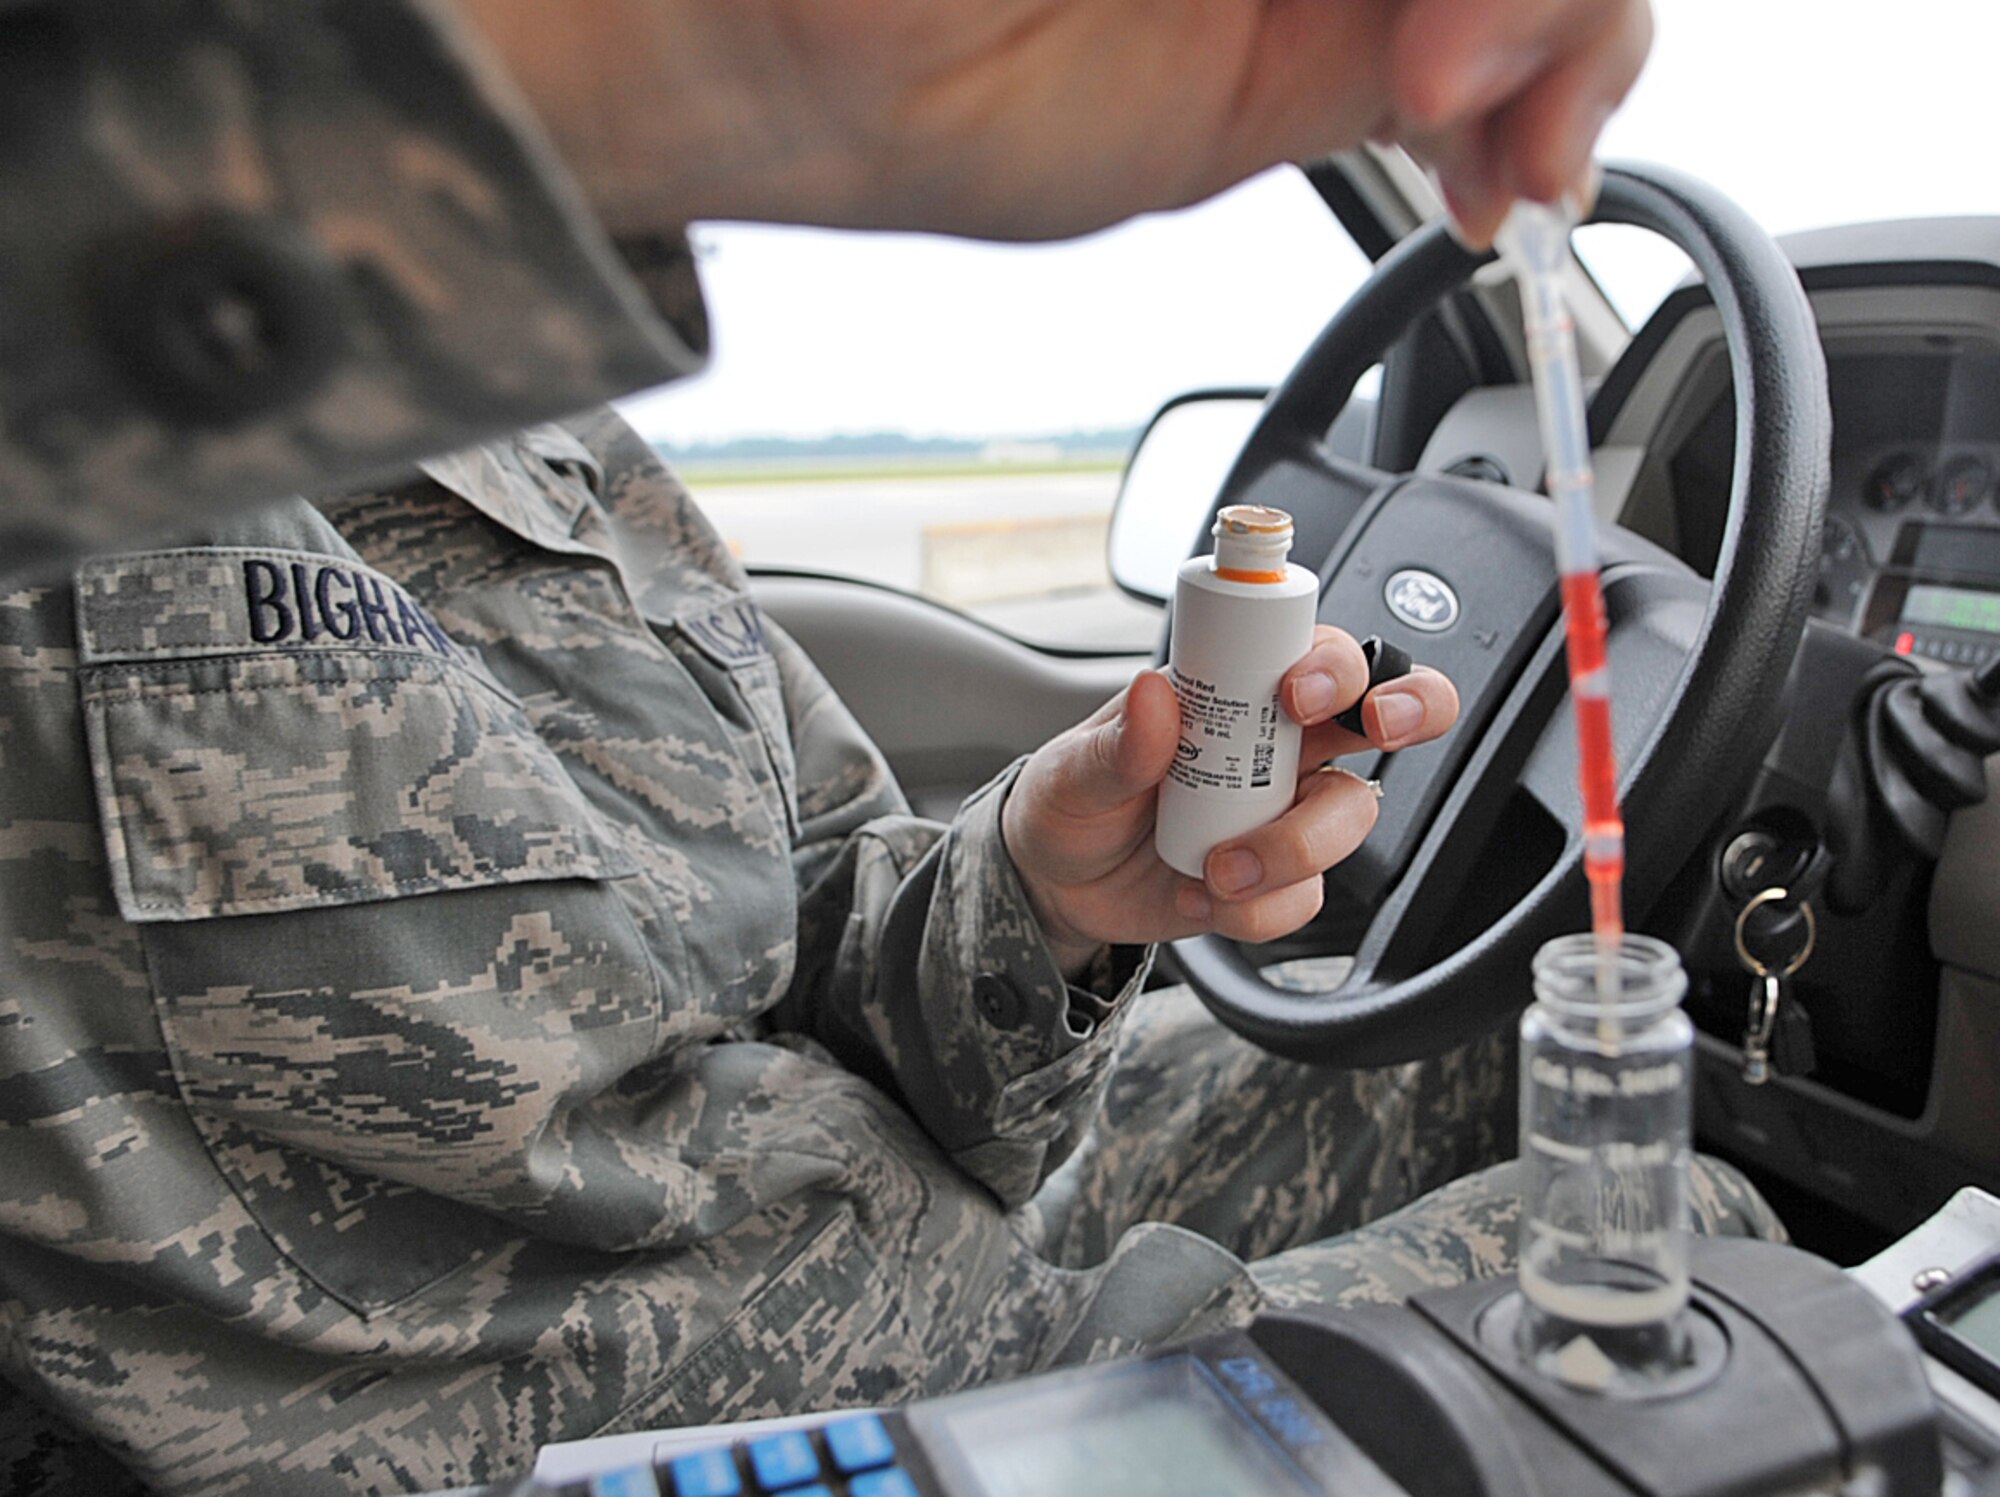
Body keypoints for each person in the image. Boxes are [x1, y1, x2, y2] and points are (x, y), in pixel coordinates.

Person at [0, 3, 1779, 1493]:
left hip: (937, 1250)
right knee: (1707, 1225)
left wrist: (1044, 892)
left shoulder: (551, 444)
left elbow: (823, 913)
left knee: (1472, 1046)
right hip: (847, 1438)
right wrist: (680, 67)